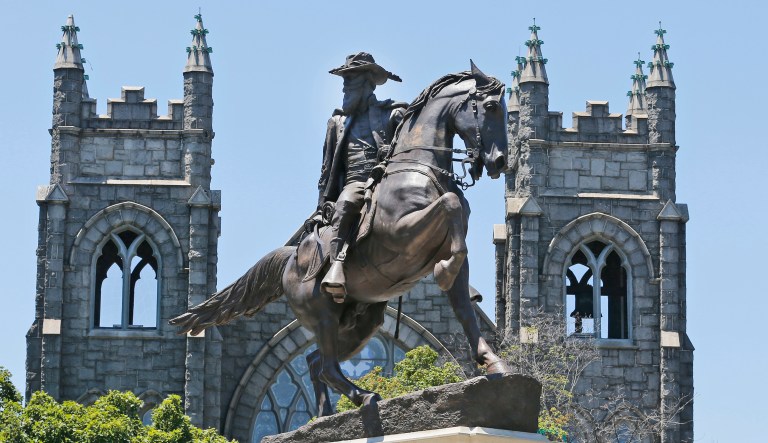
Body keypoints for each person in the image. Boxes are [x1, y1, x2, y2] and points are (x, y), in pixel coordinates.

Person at [317, 52, 406, 302]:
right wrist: (319, 207)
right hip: (355, 184)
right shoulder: (337, 122)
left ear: (368, 83)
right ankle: (337, 266)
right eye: (344, 80)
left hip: (389, 182)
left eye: (351, 79)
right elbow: (326, 171)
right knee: (346, 203)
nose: (345, 86)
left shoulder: (393, 114)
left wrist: (392, 154)